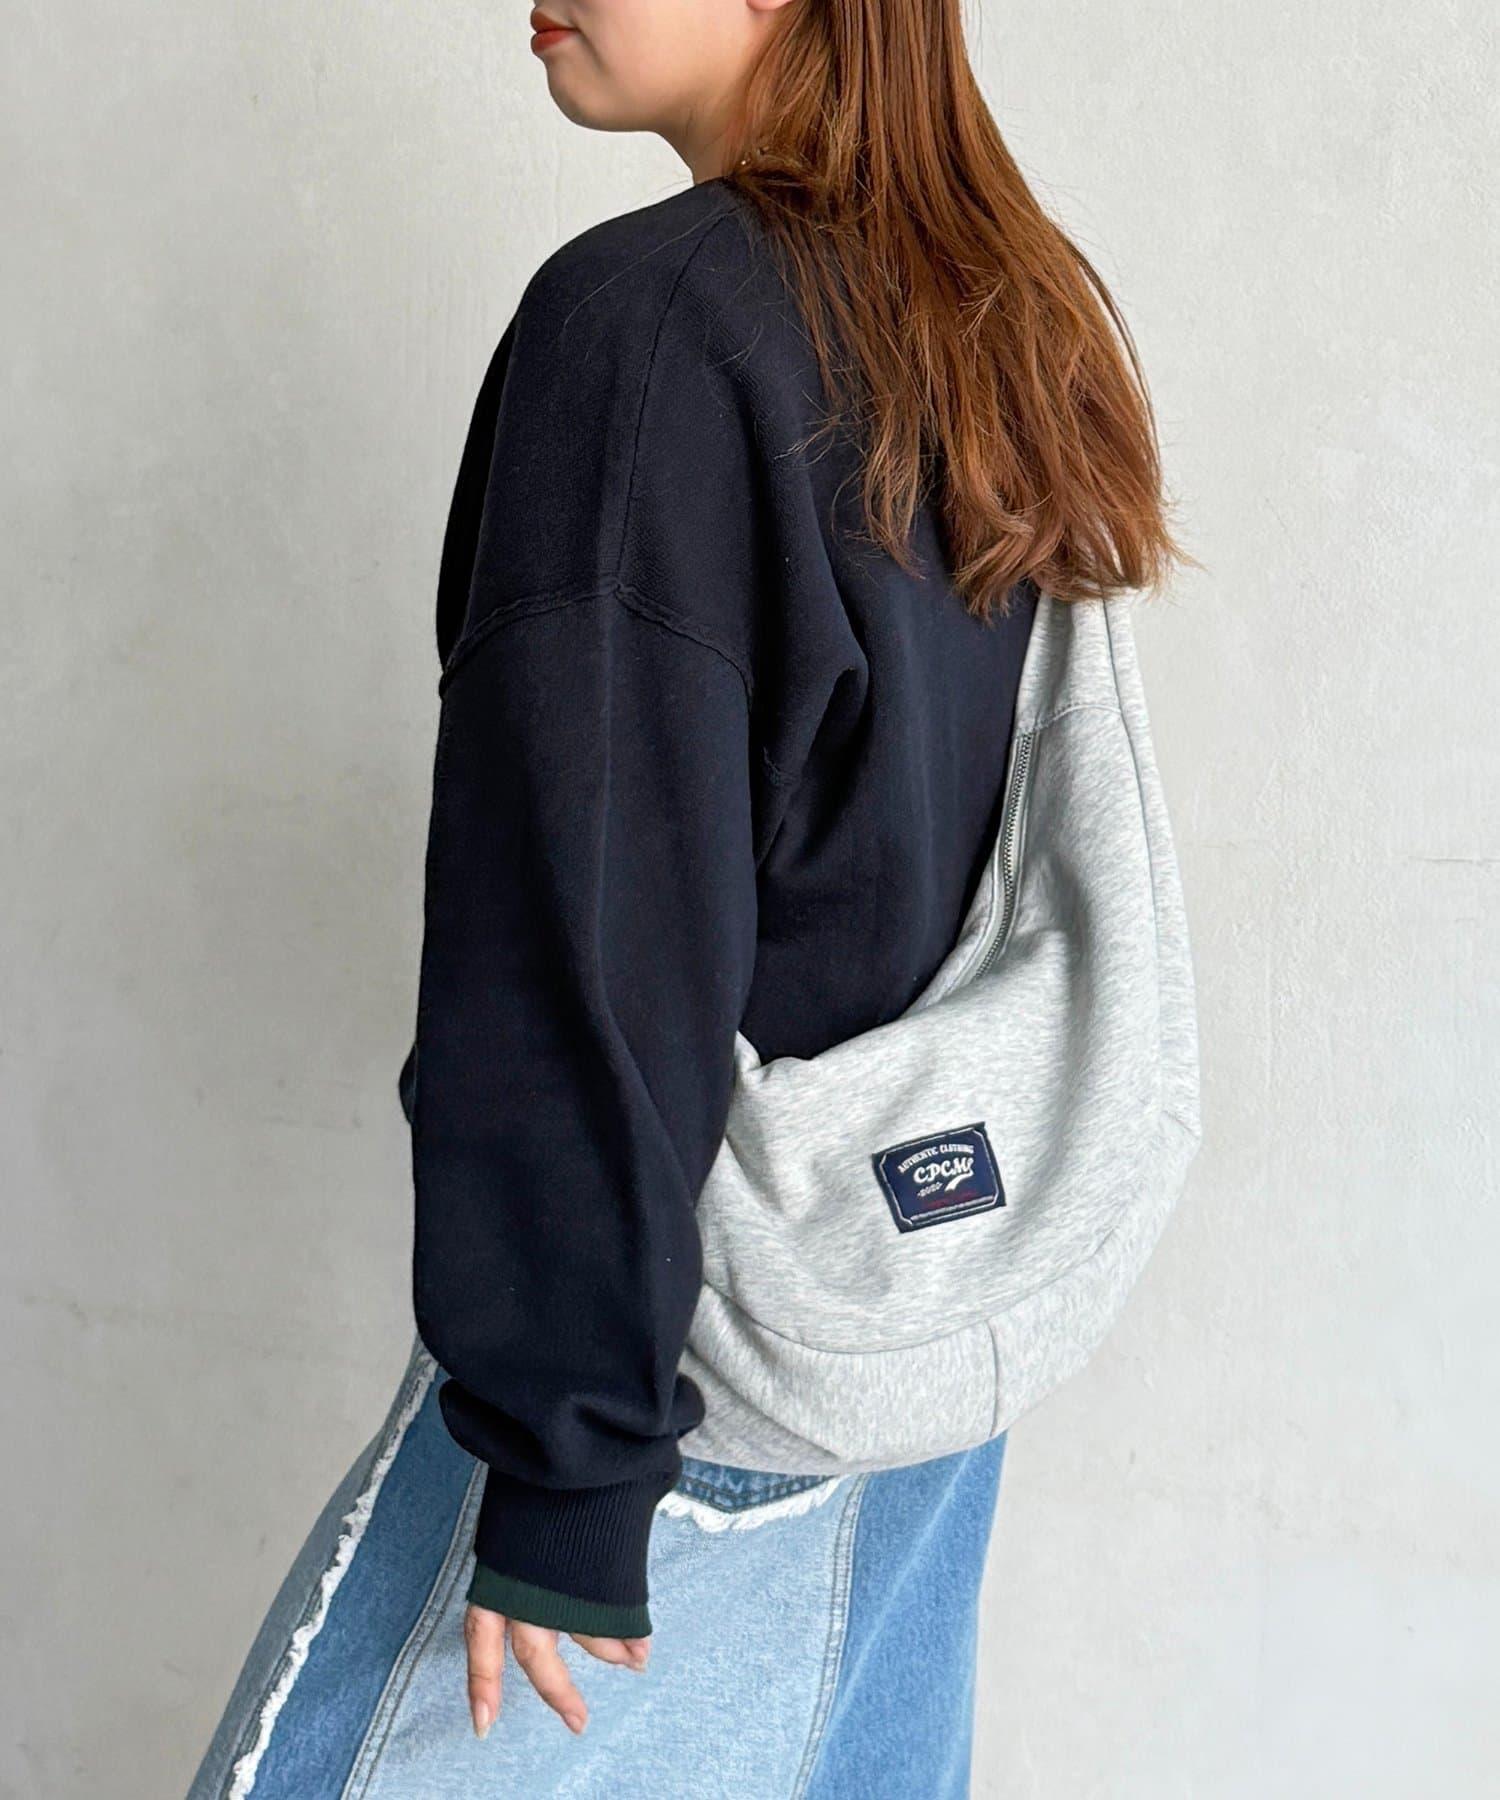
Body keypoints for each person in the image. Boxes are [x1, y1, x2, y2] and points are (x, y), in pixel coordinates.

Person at [186, 0, 1181, 1793]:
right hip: (903, 1371)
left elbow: (585, 929)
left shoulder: (648, 329)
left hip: (664, 1390)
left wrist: (565, 1465)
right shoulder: (1005, 315)